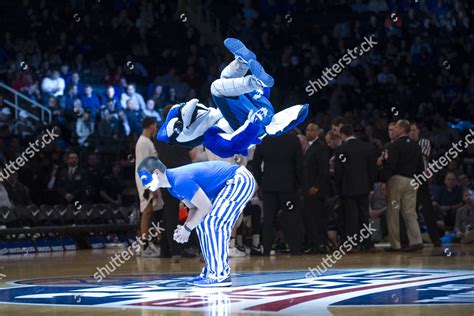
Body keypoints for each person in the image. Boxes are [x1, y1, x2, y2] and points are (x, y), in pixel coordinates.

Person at [137, 157, 256, 287]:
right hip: (234, 180)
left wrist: (187, 229)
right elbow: (194, 208)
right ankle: (212, 270)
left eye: (144, 178)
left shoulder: (179, 181)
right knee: (201, 224)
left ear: (156, 172)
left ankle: (220, 274)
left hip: (240, 180)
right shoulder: (173, 185)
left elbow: (205, 207)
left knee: (213, 223)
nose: (144, 184)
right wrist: (186, 230)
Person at [252, 133, 304, 255]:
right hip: (288, 187)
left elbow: (256, 164)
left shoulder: (264, 139)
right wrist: (299, 184)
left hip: (269, 187)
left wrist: (261, 182)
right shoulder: (293, 139)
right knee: (291, 218)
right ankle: (294, 248)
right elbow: (299, 165)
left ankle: (267, 249)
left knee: (268, 220)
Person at [382, 120, 424, 251]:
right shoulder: (416, 146)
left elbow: (391, 165)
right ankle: (416, 240)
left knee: (393, 212)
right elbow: (421, 168)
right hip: (412, 181)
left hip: (397, 180)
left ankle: (396, 245)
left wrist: (384, 181)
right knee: (410, 213)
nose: (394, 128)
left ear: (401, 129)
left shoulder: (395, 145)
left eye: (397, 127)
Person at [334, 124, 377, 252]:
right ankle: (367, 244)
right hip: (364, 188)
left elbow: (339, 172)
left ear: (342, 135)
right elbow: (371, 169)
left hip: (348, 189)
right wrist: (370, 185)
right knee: (364, 216)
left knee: (351, 218)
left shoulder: (341, 149)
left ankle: (352, 245)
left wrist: (338, 187)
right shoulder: (366, 147)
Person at [135, 117, 164, 257]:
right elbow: (143, 166)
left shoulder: (146, 142)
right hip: (146, 182)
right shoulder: (143, 143)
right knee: (146, 211)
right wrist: (150, 187)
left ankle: (150, 242)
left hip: (151, 181)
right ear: (151, 126)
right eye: (155, 126)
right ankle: (144, 244)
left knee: (152, 211)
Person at [409, 122, 441, 246]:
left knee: (428, 211)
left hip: (421, 179)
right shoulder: (407, 144)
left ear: (418, 131)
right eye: (410, 131)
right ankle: (415, 240)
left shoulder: (424, 142)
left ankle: (435, 239)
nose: (412, 133)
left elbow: (421, 160)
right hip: (410, 181)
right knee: (413, 211)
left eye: (413, 130)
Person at [303, 123, 330, 254]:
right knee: (310, 217)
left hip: (316, 190)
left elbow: (323, 170)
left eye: (312, 130)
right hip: (307, 189)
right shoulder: (308, 147)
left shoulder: (320, 147)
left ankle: (320, 244)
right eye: (307, 130)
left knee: (318, 217)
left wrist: (316, 186)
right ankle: (314, 244)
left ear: (318, 132)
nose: (309, 132)